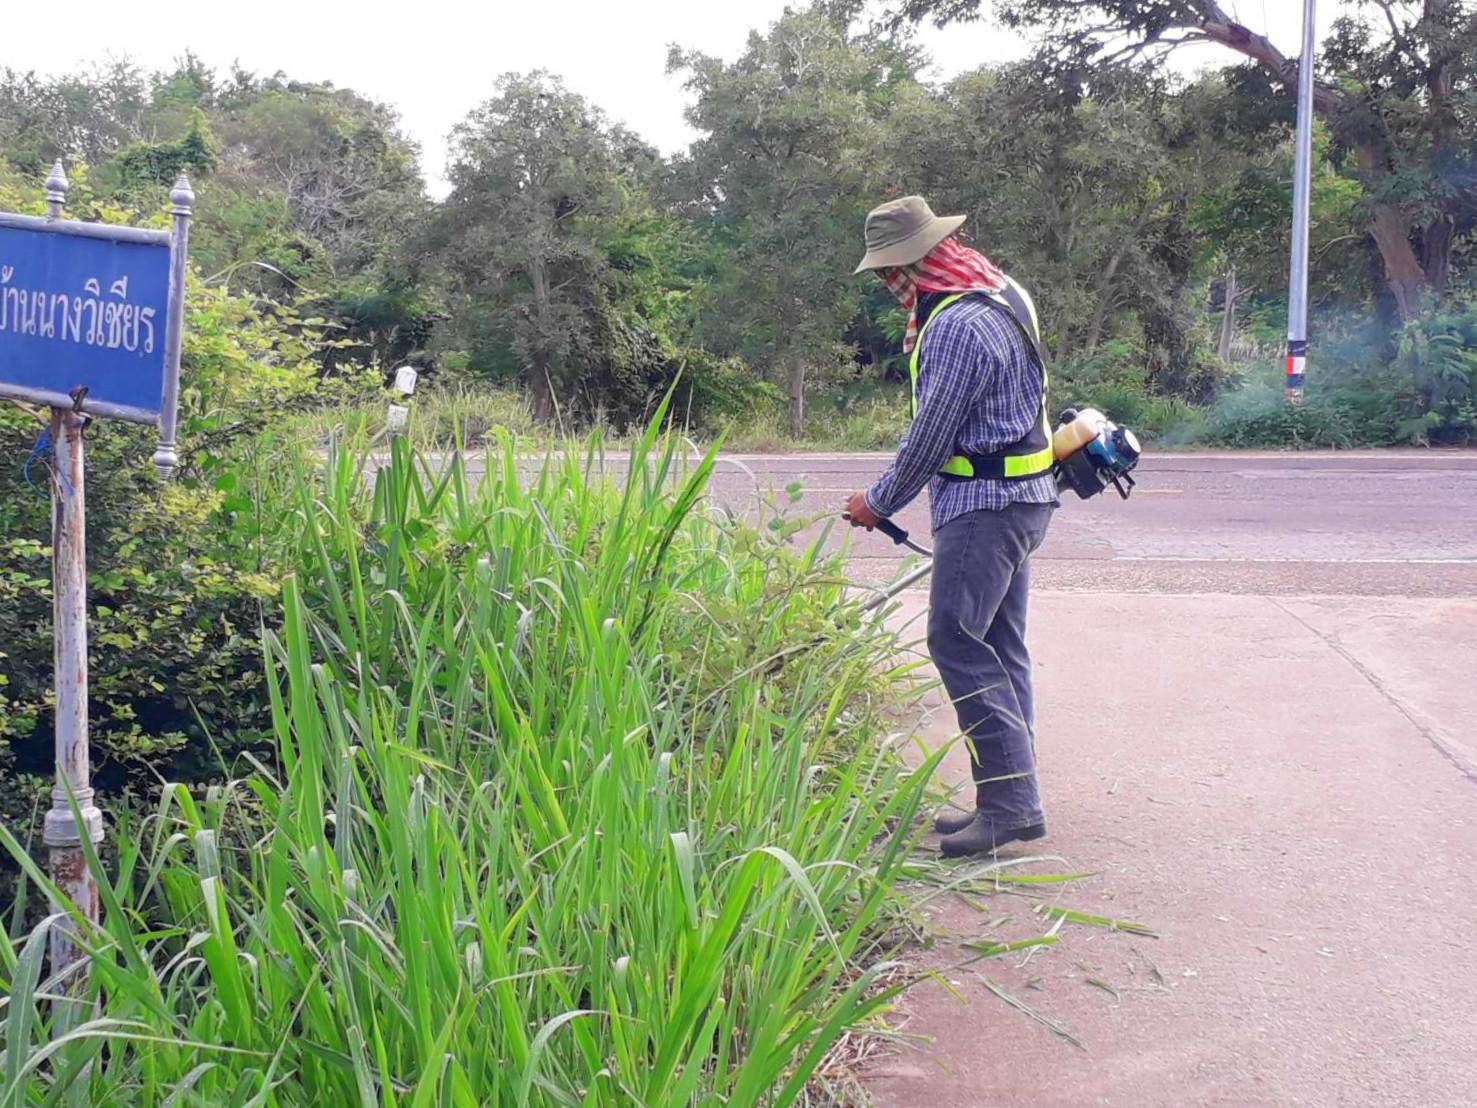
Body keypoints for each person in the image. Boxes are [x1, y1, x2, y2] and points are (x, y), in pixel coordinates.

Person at [844, 195, 1058, 858]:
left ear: (909, 263)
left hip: (984, 504)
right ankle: (1008, 795)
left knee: (957, 643)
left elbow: (931, 433)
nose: (887, 284)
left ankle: (1009, 805)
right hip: (1025, 493)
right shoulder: (998, 290)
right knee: (998, 646)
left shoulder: (954, 325)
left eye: (889, 272)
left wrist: (877, 503)